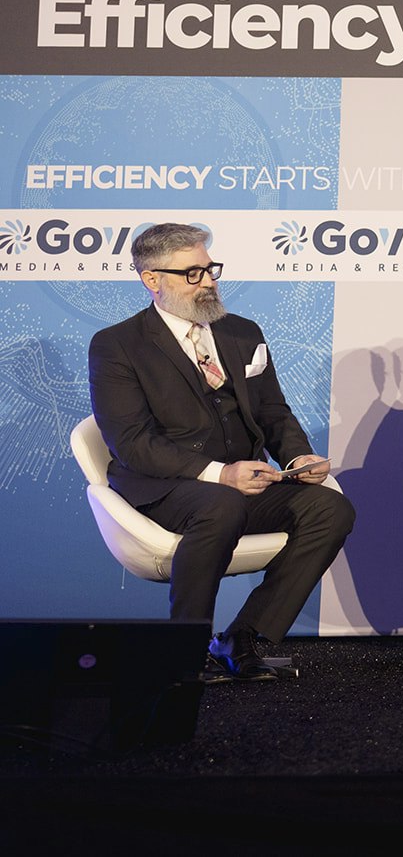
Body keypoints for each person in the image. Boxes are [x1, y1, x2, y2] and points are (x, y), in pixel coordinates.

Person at [87, 223, 355, 682]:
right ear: (152, 279)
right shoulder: (118, 345)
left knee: (331, 508)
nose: (208, 281)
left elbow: (272, 412)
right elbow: (132, 442)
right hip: (165, 487)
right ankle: (184, 649)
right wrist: (219, 474)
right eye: (192, 273)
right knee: (221, 504)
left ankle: (242, 636)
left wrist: (297, 458)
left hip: (241, 484)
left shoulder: (241, 332)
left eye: (210, 269)